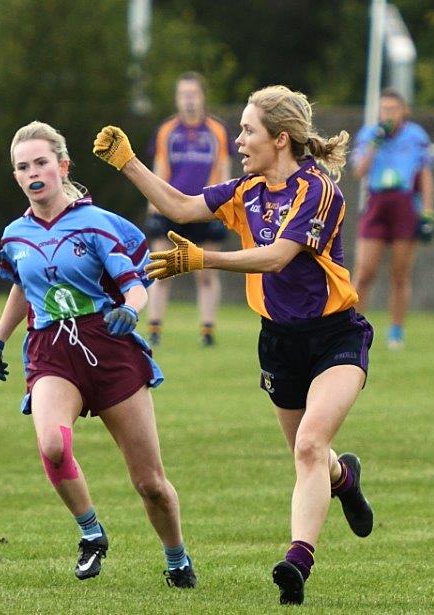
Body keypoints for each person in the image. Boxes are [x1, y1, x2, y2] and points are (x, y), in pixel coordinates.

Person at [93, 85, 375, 606]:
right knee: (310, 453)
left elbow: (277, 257)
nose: (240, 140)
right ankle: (345, 478)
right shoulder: (247, 189)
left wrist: (205, 260)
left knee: (309, 443)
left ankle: (298, 562)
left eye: (249, 131)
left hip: (335, 335)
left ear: (280, 139)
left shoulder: (318, 190)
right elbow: (179, 206)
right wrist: (128, 162)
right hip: (279, 342)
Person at [0, 121, 197, 588]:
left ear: (63, 166)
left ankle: (176, 556)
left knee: (151, 485)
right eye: (23, 167)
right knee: (53, 445)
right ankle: (91, 533)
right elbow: (22, 286)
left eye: (41, 162)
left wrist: (131, 312)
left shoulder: (95, 222)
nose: (33, 172)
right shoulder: (14, 234)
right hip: (51, 352)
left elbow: (134, 285)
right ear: (15, 176)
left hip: (109, 348)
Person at [144, 72, 233, 347]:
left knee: (206, 272)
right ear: (177, 99)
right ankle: (154, 328)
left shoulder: (217, 131)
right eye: (183, 95)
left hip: (206, 208)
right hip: (171, 208)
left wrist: (223, 208)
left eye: (193, 94)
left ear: (203, 97)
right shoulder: (168, 131)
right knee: (162, 269)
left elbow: (225, 170)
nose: (189, 100)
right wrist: (154, 207)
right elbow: (159, 170)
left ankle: (207, 330)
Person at [350, 87, 434, 349]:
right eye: (383, 109)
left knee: (399, 273)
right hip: (376, 203)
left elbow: (425, 175)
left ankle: (396, 331)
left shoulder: (416, 136)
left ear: (404, 111)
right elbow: (358, 171)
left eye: (392, 109)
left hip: (404, 204)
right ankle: (351, 329)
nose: (387, 114)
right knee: (364, 271)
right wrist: (374, 144)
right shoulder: (369, 134)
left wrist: (428, 212)